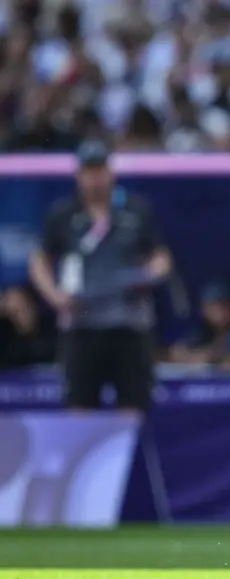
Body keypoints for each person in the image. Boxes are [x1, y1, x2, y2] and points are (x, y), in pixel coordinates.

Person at [29, 140, 172, 412]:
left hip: (127, 324)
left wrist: (147, 276)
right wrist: (54, 296)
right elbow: (39, 260)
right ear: (79, 176)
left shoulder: (134, 210)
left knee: (133, 406)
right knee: (79, 408)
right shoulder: (63, 214)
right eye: (88, 172)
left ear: (110, 172)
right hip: (81, 325)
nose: (94, 179)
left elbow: (161, 258)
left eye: (99, 171)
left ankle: (127, 454)